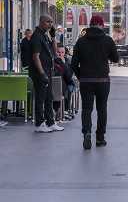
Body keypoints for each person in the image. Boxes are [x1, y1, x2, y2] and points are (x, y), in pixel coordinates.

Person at [71, 13, 119, 150]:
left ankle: (86, 132)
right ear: (101, 25)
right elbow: (115, 58)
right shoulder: (108, 40)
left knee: (86, 109)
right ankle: (100, 137)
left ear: (90, 24)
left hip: (86, 80)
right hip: (103, 81)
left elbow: (73, 64)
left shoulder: (81, 41)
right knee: (102, 109)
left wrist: (81, 77)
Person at [30, 15, 63, 133]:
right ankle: (39, 123)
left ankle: (51, 122)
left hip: (47, 70)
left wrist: (53, 37)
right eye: (48, 22)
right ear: (42, 22)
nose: (50, 24)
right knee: (40, 97)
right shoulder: (36, 36)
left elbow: (54, 51)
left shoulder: (45, 35)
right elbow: (35, 57)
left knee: (49, 97)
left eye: (52, 22)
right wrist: (42, 73)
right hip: (40, 72)